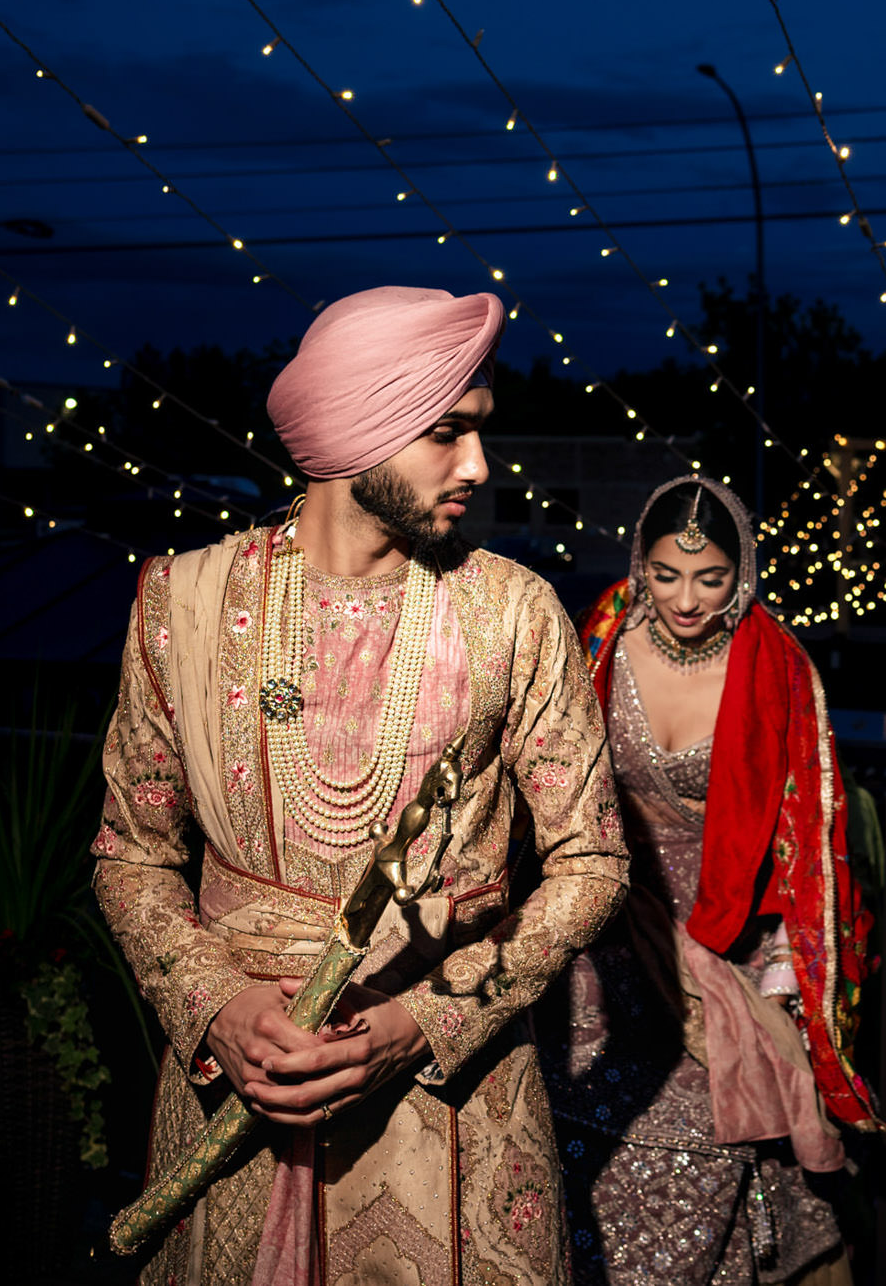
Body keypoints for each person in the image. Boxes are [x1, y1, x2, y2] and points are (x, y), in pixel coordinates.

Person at [90, 285, 630, 1286]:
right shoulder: (183, 602)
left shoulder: (514, 613)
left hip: (448, 1116)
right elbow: (132, 853)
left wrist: (422, 1021)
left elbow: (590, 863)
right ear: (354, 430)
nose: (476, 464)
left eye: (478, 432)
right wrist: (217, 1006)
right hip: (231, 1088)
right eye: (444, 432)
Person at [543, 476, 880, 1285]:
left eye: (710, 578)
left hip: (722, 948)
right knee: (577, 1148)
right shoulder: (599, 645)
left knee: (703, 1164)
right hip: (605, 931)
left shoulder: (776, 670)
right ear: (638, 565)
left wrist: (774, 983)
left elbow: (805, 842)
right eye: (664, 574)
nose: (685, 600)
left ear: (745, 575)